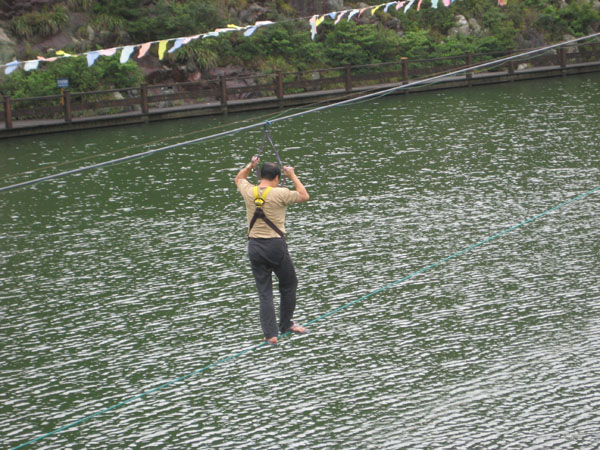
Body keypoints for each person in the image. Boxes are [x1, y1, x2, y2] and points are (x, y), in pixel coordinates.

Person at [235, 156, 310, 345]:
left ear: (260, 175)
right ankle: (286, 324)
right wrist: (292, 175)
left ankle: (270, 334)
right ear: (276, 178)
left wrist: (250, 165)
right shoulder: (281, 193)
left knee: (264, 291)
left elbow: (239, 178)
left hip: (254, 247)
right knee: (289, 284)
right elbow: (304, 196)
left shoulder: (248, 190)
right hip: (275, 246)